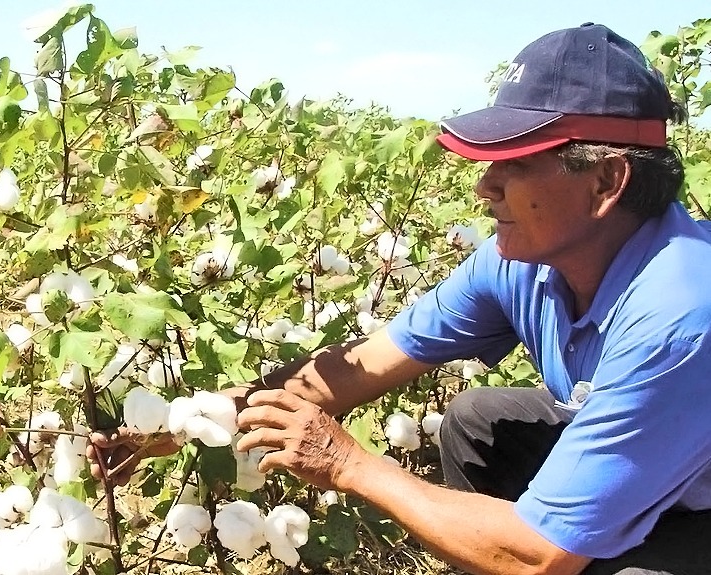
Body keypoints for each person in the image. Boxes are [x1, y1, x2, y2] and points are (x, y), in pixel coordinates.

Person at [89, 23, 711, 575]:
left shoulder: (681, 313)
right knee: (479, 423)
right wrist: (176, 429)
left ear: (605, 181)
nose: (483, 185)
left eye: (513, 163)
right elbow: (356, 370)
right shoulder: (520, 262)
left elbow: (540, 556)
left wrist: (347, 465)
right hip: (671, 470)